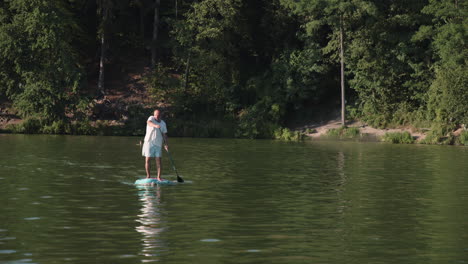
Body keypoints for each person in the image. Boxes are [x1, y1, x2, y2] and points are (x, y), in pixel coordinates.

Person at [142, 109, 169, 180]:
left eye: (158, 115)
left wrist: (166, 144)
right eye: (156, 115)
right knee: (147, 159)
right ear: (154, 115)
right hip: (149, 142)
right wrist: (155, 125)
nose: (157, 116)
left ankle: (159, 177)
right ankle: (148, 176)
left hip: (158, 144)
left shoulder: (163, 123)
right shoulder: (151, 118)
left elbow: (164, 135)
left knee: (158, 160)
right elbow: (148, 122)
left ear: (160, 115)